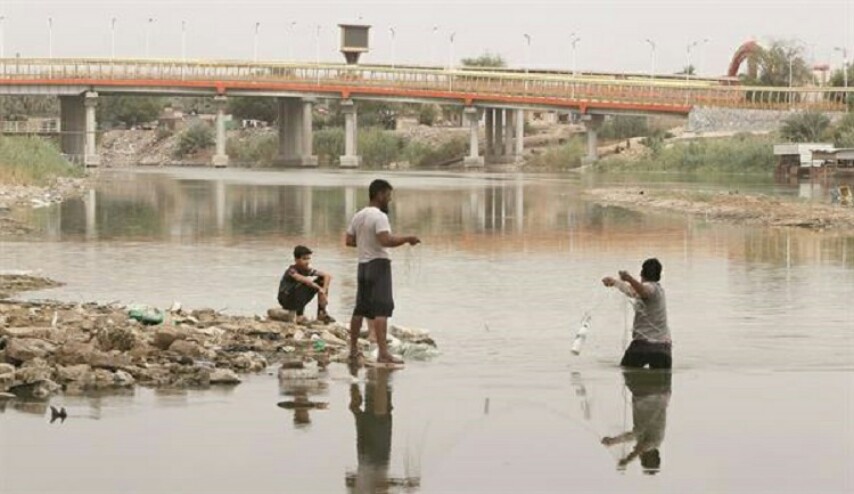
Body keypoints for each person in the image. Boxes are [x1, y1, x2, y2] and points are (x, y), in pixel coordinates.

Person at [345, 179, 420, 365]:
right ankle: (383, 353)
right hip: (378, 265)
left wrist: (365, 243)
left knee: (359, 309)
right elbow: (386, 240)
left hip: (363, 266)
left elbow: (349, 241)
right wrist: (407, 238)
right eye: (388, 195)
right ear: (379, 195)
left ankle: (353, 351)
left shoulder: (358, 215)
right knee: (381, 310)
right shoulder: (379, 216)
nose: (389, 200)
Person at [602, 258, 672, 369]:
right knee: (662, 386)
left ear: (642, 273)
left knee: (628, 375)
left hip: (642, 346)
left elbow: (644, 291)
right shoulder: (659, 291)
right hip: (662, 347)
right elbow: (633, 291)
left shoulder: (651, 288)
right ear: (659, 275)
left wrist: (629, 278)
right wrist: (615, 282)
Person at [601, 370, 672, 474]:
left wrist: (613, 441)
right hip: (651, 394)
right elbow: (641, 448)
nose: (640, 458)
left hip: (654, 393)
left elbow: (634, 435)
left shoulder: (646, 437)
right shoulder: (655, 442)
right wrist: (627, 460)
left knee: (630, 368)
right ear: (649, 457)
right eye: (643, 460)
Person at [277, 245, 335, 324]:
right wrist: (319, 288)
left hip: (298, 296)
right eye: (304, 259)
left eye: (308, 258)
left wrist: (323, 290)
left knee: (322, 280)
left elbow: (327, 276)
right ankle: (299, 315)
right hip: (287, 298)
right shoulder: (291, 270)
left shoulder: (306, 270)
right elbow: (304, 280)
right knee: (304, 284)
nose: (307, 261)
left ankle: (322, 313)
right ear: (296, 260)